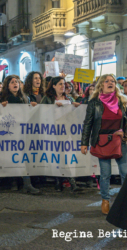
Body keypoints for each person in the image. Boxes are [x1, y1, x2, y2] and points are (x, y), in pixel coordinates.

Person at [81, 74, 127, 215]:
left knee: (125, 172)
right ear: (101, 85)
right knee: (105, 174)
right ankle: (105, 200)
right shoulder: (94, 102)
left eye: (112, 81)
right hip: (102, 141)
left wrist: (125, 134)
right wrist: (84, 143)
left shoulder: (123, 101)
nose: (110, 83)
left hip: (120, 141)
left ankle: (124, 202)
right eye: (106, 81)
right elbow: (88, 123)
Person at [0, 75, 40, 194]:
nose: (15, 84)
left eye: (16, 82)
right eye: (12, 82)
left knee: (23, 157)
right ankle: (14, 181)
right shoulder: (3, 98)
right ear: (7, 85)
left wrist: (32, 107)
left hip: (23, 131)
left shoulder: (25, 98)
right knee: (12, 157)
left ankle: (26, 184)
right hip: (9, 132)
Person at [40, 77, 80, 192]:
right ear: (53, 85)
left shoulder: (69, 98)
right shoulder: (47, 99)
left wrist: (76, 107)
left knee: (64, 156)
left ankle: (63, 180)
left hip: (66, 132)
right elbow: (40, 112)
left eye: (64, 84)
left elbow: (75, 115)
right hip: (52, 132)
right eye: (60, 84)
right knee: (58, 156)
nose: (63, 86)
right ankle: (65, 181)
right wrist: (52, 108)